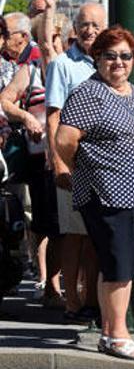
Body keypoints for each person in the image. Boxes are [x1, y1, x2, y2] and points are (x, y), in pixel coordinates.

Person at [55, 26, 134, 361]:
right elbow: (65, 140)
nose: (118, 62)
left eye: (125, 56)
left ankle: (110, 331)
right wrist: (85, 169)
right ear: (97, 58)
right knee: (118, 265)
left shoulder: (131, 91)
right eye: (110, 55)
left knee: (121, 267)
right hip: (110, 194)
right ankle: (118, 334)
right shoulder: (89, 93)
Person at [44, 0, 106, 324]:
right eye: (84, 25)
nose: (90, 30)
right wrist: (59, 163)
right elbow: (52, 118)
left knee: (96, 236)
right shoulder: (62, 65)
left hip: (103, 167)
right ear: (75, 29)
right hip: (73, 162)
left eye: (96, 25)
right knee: (73, 237)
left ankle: (93, 301)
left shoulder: (109, 64)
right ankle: (72, 302)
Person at [0, 17, 62, 308]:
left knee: (70, 230)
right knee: (45, 223)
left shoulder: (75, 66)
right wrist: (25, 117)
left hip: (69, 159)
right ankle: (50, 284)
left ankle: (68, 289)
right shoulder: (30, 69)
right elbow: (6, 99)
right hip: (37, 158)